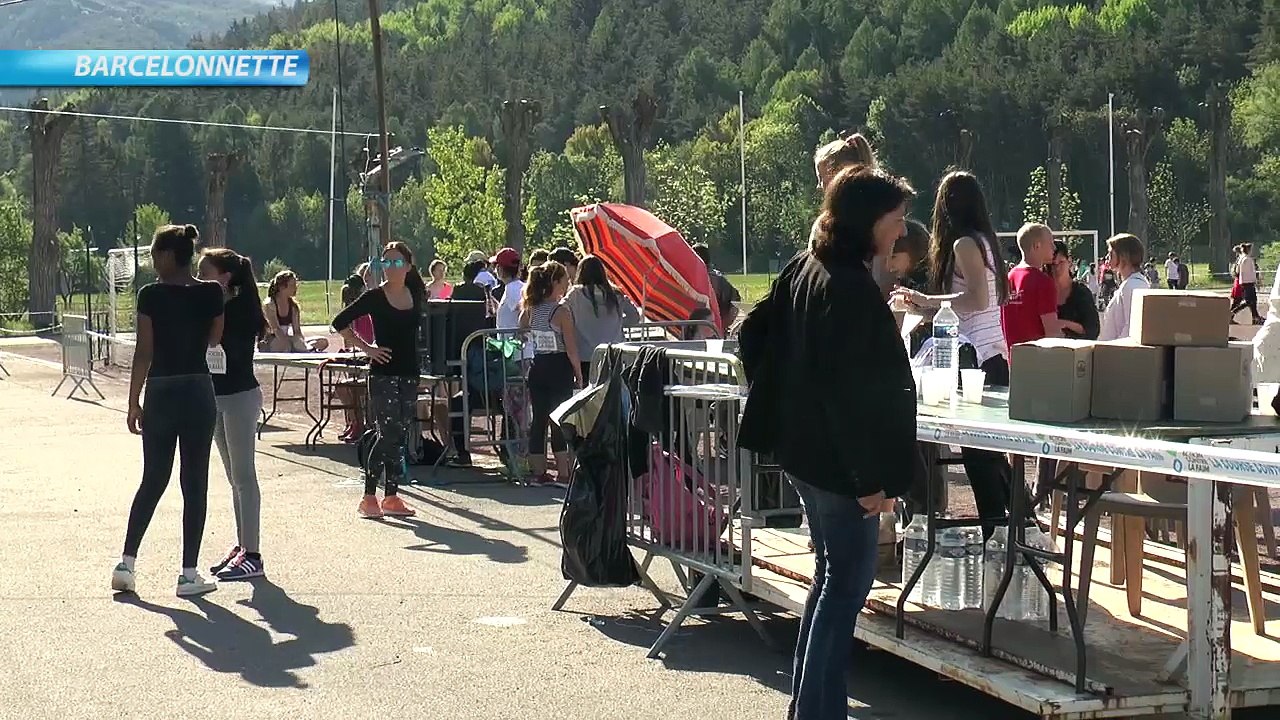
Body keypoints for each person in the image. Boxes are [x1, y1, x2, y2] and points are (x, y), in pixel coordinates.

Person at [738, 167, 916, 720]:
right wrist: (871, 481)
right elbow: (848, 396)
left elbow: (752, 334)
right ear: (870, 222)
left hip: (804, 452)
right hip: (840, 466)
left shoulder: (806, 265)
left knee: (830, 580)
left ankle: (808, 708)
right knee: (843, 589)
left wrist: (781, 395)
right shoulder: (849, 286)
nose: (903, 228)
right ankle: (817, 712)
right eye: (896, 217)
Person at [891, 170, 1011, 540]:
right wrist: (927, 308)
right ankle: (1013, 529)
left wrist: (930, 301)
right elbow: (970, 305)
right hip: (991, 354)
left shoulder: (964, 245)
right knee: (989, 456)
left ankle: (1000, 533)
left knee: (981, 458)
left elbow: (977, 300)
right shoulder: (985, 242)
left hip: (977, 357)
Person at [112, 224, 225, 597]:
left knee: (154, 478)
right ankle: (188, 573)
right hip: (196, 388)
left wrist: (133, 400)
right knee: (194, 482)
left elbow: (144, 351)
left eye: (154, 254)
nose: (152, 261)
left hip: (161, 389)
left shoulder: (150, 295)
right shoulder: (211, 293)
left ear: (166, 256)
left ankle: (127, 563)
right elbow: (215, 339)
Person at [332, 242, 425, 519]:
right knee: (387, 434)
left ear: (408, 266)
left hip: (409, 372)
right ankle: (369, 495)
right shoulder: (374, 296)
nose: (391, 268)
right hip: (383, 373)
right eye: (386, 263)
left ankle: (392, 496)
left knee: (400, 434)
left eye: (397, 263)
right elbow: (340, 322)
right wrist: (369, 349)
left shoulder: (416, 293)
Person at [198, 248, 269, 581]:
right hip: (217, 398)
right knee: (233, 479)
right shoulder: (214, 307)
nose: (198, 279)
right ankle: (243, 546)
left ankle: (253, 555)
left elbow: (222, 340)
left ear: (225, 277)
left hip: (240, 397)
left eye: (205, 273)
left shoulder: (241, 309)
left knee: (245, 476)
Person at [520, 261, 584, 485]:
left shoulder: (532, 308)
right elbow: (571, 347)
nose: (567, 283)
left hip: (539, 366)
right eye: (565, 280)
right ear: (556, 283)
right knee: (560, 419)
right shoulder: (561, 311)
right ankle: (563, 472)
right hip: (559, 367)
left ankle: (538, 472)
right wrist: (578, 372)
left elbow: (522, 328)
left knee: (539, 420)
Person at [564, 255, 640, 379]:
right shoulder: (616, 294)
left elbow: (561, 309)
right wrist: (618, 322)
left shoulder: (576, 294)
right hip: (615, 353)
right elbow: (635, 316)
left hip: (586, 354)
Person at [1000, 223, 1061, 348]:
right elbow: (1052, 333)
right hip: (1038, 361)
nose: (1054, 247)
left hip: (1014, 360)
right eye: (1051, 242)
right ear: (1037, 246)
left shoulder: (1009, 277)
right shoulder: (1043, 282)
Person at [336, 272, 370, 442]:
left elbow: (367, 339)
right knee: (344, 386)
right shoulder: (348, 315)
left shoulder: (363, 315)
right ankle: (353, 421)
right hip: (355, 357)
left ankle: (358, 423)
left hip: (366, 359)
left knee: (349, 388)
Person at [1098, 233, 1150, 341]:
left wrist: (1114, 349)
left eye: (1111, 253)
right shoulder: (1131, 283)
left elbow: (1131, 327)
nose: (1107, 257)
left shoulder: (1132, 286)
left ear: (1123, 256)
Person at [262, 270, 329, 353]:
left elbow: (297, 331)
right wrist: (295, 342)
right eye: (292, 285)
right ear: (282, 287)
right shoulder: (270, 304)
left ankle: (305, 350)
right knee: (287, 345)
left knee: (323, 341)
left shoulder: (293, 306)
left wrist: (300, 342)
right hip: (271, 341)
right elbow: (276, 329)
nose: (296, 288)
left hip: (288, 339)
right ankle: (307, 351)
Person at [1049, 241, 1100, 340]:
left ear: (1069, 261)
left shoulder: (1081, 293)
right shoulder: (1043, 292)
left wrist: (1063, 324)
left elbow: (1092, 329)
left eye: (1061, 262)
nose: (1057, 268)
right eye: (1053, 264)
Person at [691, 242, 742, 330]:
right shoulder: (688, 278)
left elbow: (735, 303)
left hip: (712, 332)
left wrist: (721, 326)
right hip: (695, 331)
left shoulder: (717, 280)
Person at [1231, 242, 1264, 325]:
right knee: (1248, 301)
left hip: (1245, 282)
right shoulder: (1248, 259)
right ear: (1249, 250)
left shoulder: (1242, 259)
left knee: (1253, 300)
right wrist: (1256, 282)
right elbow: (1251, 273)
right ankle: (1232, 312)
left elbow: (1238, 271)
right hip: (1248, 282)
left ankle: (1255, 318)